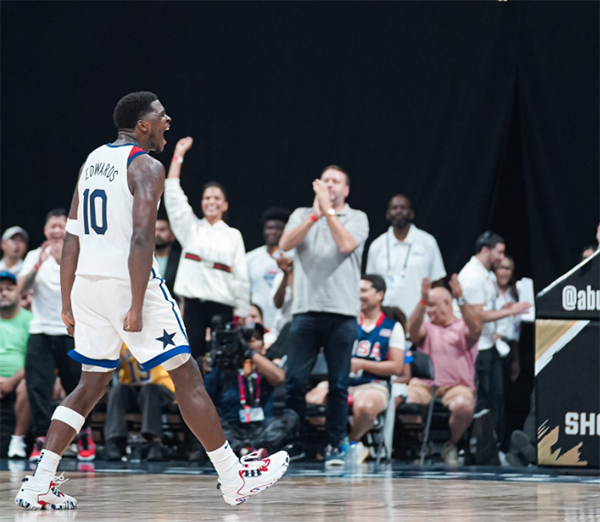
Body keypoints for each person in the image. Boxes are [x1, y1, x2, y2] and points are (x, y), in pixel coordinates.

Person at [15, 92, 288, 511]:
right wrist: (138, 304)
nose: (168, 119)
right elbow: (143, 238)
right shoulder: (146, 165)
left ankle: (39, 482)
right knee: (186, 374)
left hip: (87, 284)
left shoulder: (91, 161)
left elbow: (71, 239)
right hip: (128, 282)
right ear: (142, 125)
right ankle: (233, 477)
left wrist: (68, 302)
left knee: (90, 384)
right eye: (161, 115)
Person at [279, 165, 369, 465]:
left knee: (339, 383)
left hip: (342, 312)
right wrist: (314, 215)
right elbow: (284, 245)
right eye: (325, 180)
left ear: (346, 190)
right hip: (305, 310)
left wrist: (328, 212)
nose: (330, 184)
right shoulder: (302, 214)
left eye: (336, 181)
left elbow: (345, 245)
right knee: (295, 381)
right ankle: (295, 443)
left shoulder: (357, 218)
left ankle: (335, 444)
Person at [164, 136, 250, 361]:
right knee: (192, 358)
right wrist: (178, 155)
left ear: (225, 205)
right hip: (193, 306)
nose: (211, 201)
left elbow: (241, 276)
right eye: (207, 197)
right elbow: (173, 196)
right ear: (201, 203)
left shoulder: (233, 235)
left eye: (217, 198)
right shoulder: (190, 229)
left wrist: (242, 309)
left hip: (223, 305)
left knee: (223, 360)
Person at [19, 209, 95, 463]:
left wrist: (64, 260)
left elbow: (85, 287)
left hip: (71, 330)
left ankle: (83, 433)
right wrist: (39, 264)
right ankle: (41, 437)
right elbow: (20, 290)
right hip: (41, 330)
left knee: (78, 384)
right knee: (38, 387)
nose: (56, 230)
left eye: (61, 226)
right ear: (45, 231)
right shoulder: (34, 255)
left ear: (69, 229)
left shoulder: (80, 253)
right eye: (52, 226)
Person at [306, 275, 405, 464]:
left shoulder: (392, 327)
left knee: (365, 406)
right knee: (312, 402)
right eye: (357, 290)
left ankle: (349, 443)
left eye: (364, 290)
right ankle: (341, 442)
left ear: (380, 295)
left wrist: (362, 364)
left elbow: (396, 366)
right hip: (341, 381)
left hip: (374, 383)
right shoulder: (345, 323)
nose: (359, 295)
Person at [457, 231, 531, 448]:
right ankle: (479, 447)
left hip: (490, 344)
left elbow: (487, 307)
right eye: (499, 252)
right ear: (485, 250)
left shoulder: (486, 275)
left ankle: (492, 446)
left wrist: (503, 308)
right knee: (484, 400)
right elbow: (476, 315)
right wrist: (510, 311)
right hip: (478, 346)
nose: (501, 257)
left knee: (496, 399)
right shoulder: (472, 275)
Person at [406, 275, 482, 467]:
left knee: (464, 407)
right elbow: (411, 331)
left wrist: (460, 298)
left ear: (447, 303)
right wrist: (422, 301)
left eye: (431, 305)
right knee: (407, 406)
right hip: (425, 385)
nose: (428, 310)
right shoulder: (427, 328)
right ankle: (423, 444)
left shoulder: (462, 327)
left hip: (457, 386)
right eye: (427, 305)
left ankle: (451, 444)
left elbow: (476, 328)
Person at [204, 325, 299, 458]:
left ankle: (250, 450)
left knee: (290, 417)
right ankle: (245, 450)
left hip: (261, 428)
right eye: (247, 340)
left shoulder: (266, 367)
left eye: (256, 339)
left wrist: (250, 353)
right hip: (231, 427)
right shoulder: (223, 367)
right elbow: (205, 397)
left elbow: (279, 378)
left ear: (263, 344)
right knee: (209, 416)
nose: (251, 343)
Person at [366, 194, 446, 317]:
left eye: (403, 208)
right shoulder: (377, 246)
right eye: (394, 208)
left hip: (421, 317)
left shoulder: (427, 242)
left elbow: (437, 283)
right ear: (388, 214)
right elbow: (371, 285)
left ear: (411, 214)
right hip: (385, 317)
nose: (398, 211)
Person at [104, 345, 176, 462]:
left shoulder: (158, 337)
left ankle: (154, 442)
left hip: (162, 388)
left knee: (149, 390)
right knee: (117, 391)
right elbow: (114, 366)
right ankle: (115, 441)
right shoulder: (123, 341)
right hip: (134, 388)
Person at [0, 271, 33, 458]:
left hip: (20, 377)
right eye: (0, 290)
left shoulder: (30, 320)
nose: (3, 293)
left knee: (29, 384)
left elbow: (34, 359)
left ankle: (17, 440)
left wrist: (11, 381)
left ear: (18, 293)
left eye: (9, 289)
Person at [246, 207, 291, 330]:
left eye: (278, 228)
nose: (273, 232)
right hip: (257, 325)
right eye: (270, 228)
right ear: (264, 230)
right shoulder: (250, 259)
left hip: (285, 322)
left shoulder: (292, 259)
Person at [154, 216, 180, 298]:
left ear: (172, 234)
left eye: (162, 230)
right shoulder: (143, 259)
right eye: (154, 230)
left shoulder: (180, 260)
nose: (157, 234)